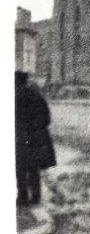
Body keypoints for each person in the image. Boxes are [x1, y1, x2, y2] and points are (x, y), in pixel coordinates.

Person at [15, 72, 55, 206]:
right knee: (33, 168)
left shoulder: (16, 98)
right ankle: (35, 197)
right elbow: (47, 118)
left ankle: (23, 197)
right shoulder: (37, 96)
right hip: (36, 139)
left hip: (21, 138)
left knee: (20, 169)